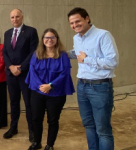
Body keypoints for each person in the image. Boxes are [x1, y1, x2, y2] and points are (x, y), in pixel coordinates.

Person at [68, 7, 119, 150]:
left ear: (87, 18)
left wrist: (87, 59)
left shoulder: (103, 35)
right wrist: (59, 52)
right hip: (82, 86)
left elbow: (112, 62)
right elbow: (78, 54)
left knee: (103, 130)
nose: (74, 25)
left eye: (77, 21)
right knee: (88, 125)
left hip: (100, 87)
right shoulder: (76, 38)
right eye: (71, 23)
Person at [25, 28, 75, 150]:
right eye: (46, 37)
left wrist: (50, 85)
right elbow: (32, 71)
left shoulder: (63, 55)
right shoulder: (36, 54)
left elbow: (64, 73)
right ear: (42, 40)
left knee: (53, 120)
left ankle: (50, 145)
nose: (49, 40)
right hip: (38, 92)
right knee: (36, 118)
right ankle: (37, 142)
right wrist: (41, 87)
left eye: (52, 37)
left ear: (56, 39)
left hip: (56, 93)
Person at [2, 8, 39, 141]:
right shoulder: (7, 33)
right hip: (11, 74)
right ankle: (13, 127)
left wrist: (21, 68)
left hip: (25, 74)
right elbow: (4, 52)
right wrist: (11, 67)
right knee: (13, 102)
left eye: (17, 16)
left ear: (22, 17)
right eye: (12, 17)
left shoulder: (31, 31)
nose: (15, 19)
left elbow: (33, 52)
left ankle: (32, 130)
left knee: (29, 103)